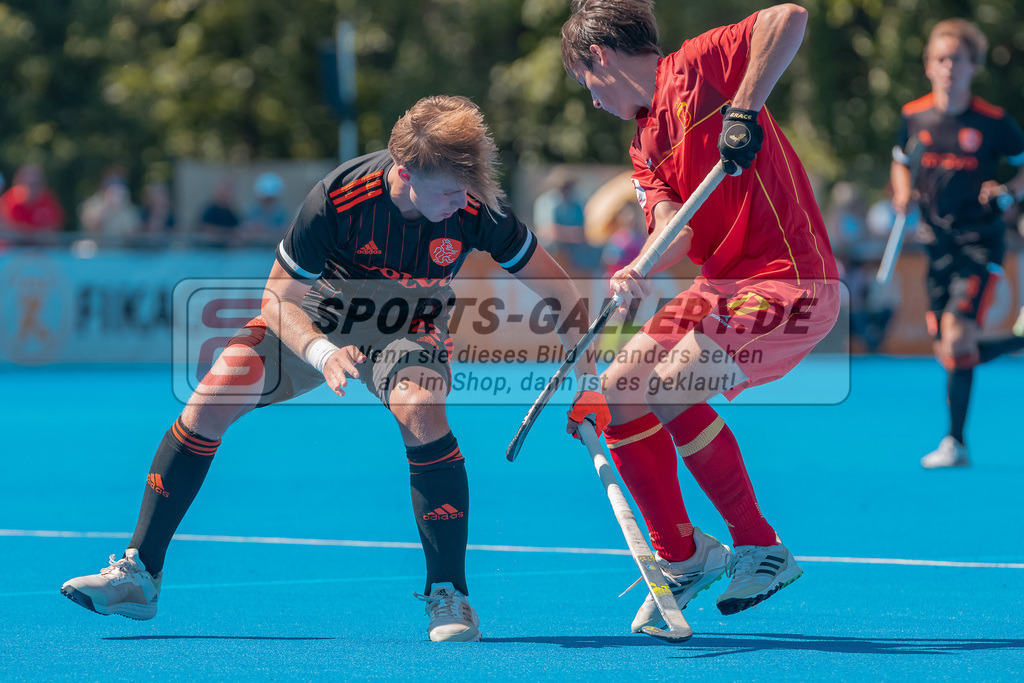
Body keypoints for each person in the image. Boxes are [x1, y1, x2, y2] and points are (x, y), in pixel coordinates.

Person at [60, 95, 601, 643]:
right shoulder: (339, 198)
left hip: (411, 326)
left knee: (421, 409)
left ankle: (449, 593)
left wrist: (586, 371)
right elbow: (276, 298)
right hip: (318, 317)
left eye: (466, 191)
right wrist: (321, 351)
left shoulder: (474, 204)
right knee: (212, 395)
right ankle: (140, 575)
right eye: (447, 193)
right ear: (405, 173)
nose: (461, 203)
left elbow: (559, 290)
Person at [560, 1, 840, 632]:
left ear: (599, 58)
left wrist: (743, 111)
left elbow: (789, 18)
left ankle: (761, 546)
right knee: (619, 387)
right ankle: (684, 556)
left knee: (670, 385)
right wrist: (640, 267)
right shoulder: (642, 146)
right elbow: (675, 231)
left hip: (789, 282)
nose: (592, 100)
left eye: (585, 83)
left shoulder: (698, 65)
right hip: (720, 286)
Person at [891, 18, 1024, 468]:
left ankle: (955, 443)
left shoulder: (993, 121)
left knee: (956, 335)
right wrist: (902, 192)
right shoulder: (913, 116)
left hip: (980, 242)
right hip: (935, 244)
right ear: (929, 66)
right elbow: (900, 162)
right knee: (950, 350)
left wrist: (1008, 191)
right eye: (942, 59)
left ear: (973, 67)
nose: (950, 67)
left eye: (959, 60)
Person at [0, 163, 66, 243]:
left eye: (37, 184)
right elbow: (7, 230)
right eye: (28, 184)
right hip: (13, 247)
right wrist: (31, 233)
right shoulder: (8, 201)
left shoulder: (48, 200)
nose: (32, 189)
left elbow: (56, 226)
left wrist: (34, 233)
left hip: (41, 247)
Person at [78, 166, 142, 245]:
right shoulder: (92, 203)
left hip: (120, 250)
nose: (116, 186)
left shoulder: (128, 207)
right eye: (112, 181)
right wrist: (108, 207)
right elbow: (91, 229)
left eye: (120, 182)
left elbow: (134, 235)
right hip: (98, 249)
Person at [241, 171, 291, 244]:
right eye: (265, 198)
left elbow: (286, 232)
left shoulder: (281, 213)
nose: (268, 202)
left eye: (270, 199)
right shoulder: (251, 212)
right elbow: (245, 232)